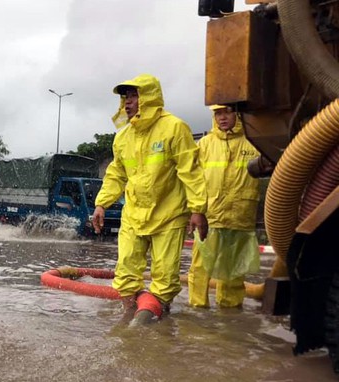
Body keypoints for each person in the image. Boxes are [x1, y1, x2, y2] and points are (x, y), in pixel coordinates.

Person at [92, 74, 208, 320]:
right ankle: (129, 325)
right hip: (134, 214)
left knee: (164, 278)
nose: (128, 102)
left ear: (148, 97)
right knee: (125, 274)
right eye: (126, 97)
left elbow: (191, 171)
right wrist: (102, 203)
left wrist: (198, 209)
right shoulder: (123, 137)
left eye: (133, 95)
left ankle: (158, 321)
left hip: (169, 215)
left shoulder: (174, 128)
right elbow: (116, 174)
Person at [187, 105, 261, 308]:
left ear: (238, 113)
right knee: (200, 269)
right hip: (209, 218)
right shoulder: (204, 144)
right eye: (217, 113)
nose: (222, 117)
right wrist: (195, 211)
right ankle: (197, 309)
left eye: (227, 111)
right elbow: (194, 181)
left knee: (234, 271)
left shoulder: (254, 142)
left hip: (240, 216)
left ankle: (230, 311)